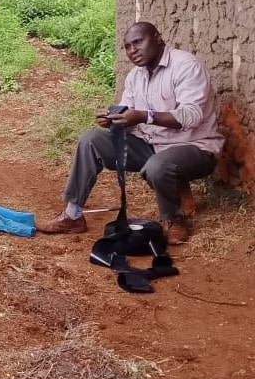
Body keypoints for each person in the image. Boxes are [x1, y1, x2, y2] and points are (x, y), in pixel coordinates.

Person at [36, 21, 224, 245]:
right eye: (127, 46)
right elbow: (129, 113)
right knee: (90, 140)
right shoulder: (135, 76)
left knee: (158, 165)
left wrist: (144, 116)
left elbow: (191, 116)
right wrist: (115, 119)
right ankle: (73, 215)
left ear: (157, 37)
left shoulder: (185, 66)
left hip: (195, 147)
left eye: (138, 42)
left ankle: (174, 218)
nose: (133, 50)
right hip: (151, 146)